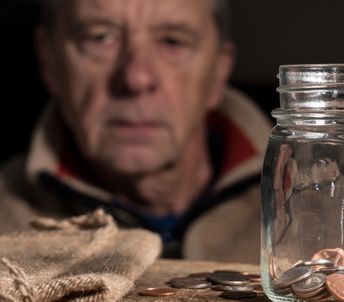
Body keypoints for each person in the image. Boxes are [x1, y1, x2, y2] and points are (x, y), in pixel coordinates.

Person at [0, 0, 271, 263]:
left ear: (218, 70)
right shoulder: (6, 217)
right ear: (49, 59)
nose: (136, 77)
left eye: (172, 41)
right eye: (100, 37)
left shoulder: (307, 205)